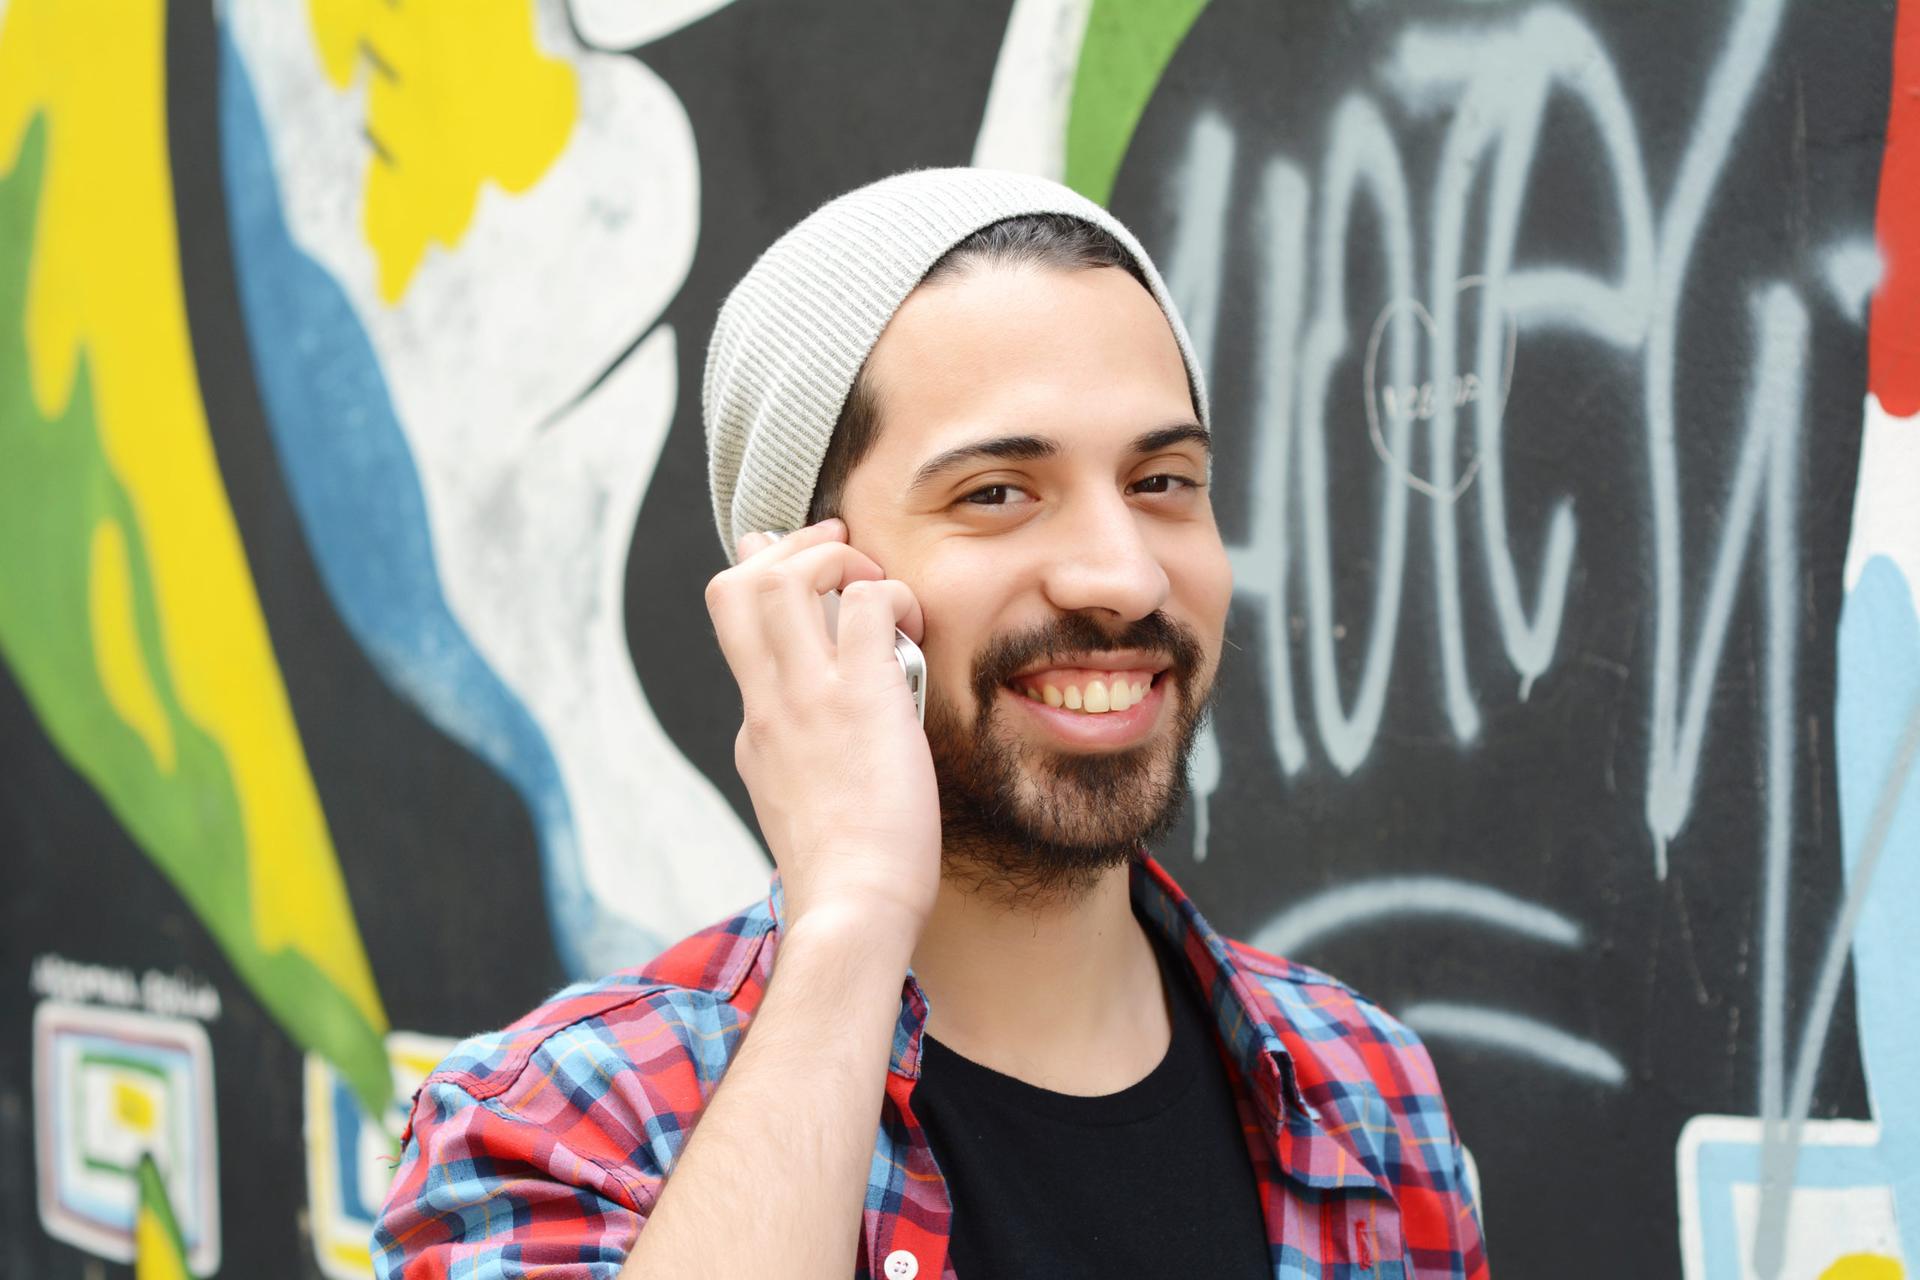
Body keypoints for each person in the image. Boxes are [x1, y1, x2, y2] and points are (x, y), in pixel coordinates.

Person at [373, 169, 1489, 1279]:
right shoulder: (566, 1126)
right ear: (804, 584)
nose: (1124, 574)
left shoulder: (1363, 1088)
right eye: (996, 491)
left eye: (1161, 480)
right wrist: (853, 909)